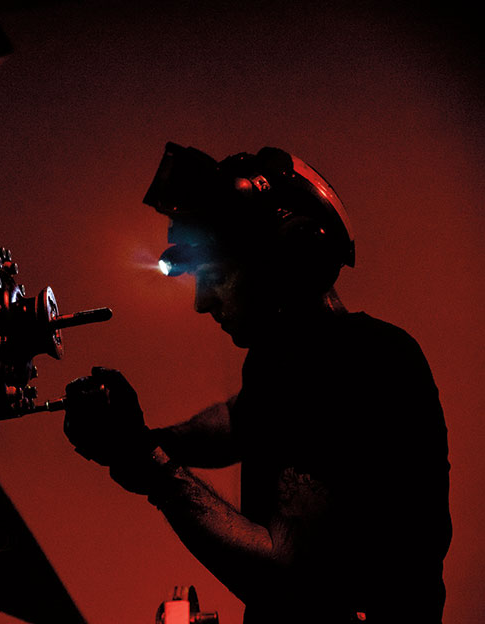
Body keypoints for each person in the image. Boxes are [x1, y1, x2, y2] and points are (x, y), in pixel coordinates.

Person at [62, 144, 451, 623]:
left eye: (216, 276)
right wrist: (143, 439)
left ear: (288, 263)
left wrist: (147, 463)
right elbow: (239, 421)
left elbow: (285, 574)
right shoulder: (279, 363)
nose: (202, 303)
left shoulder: (369, 365)